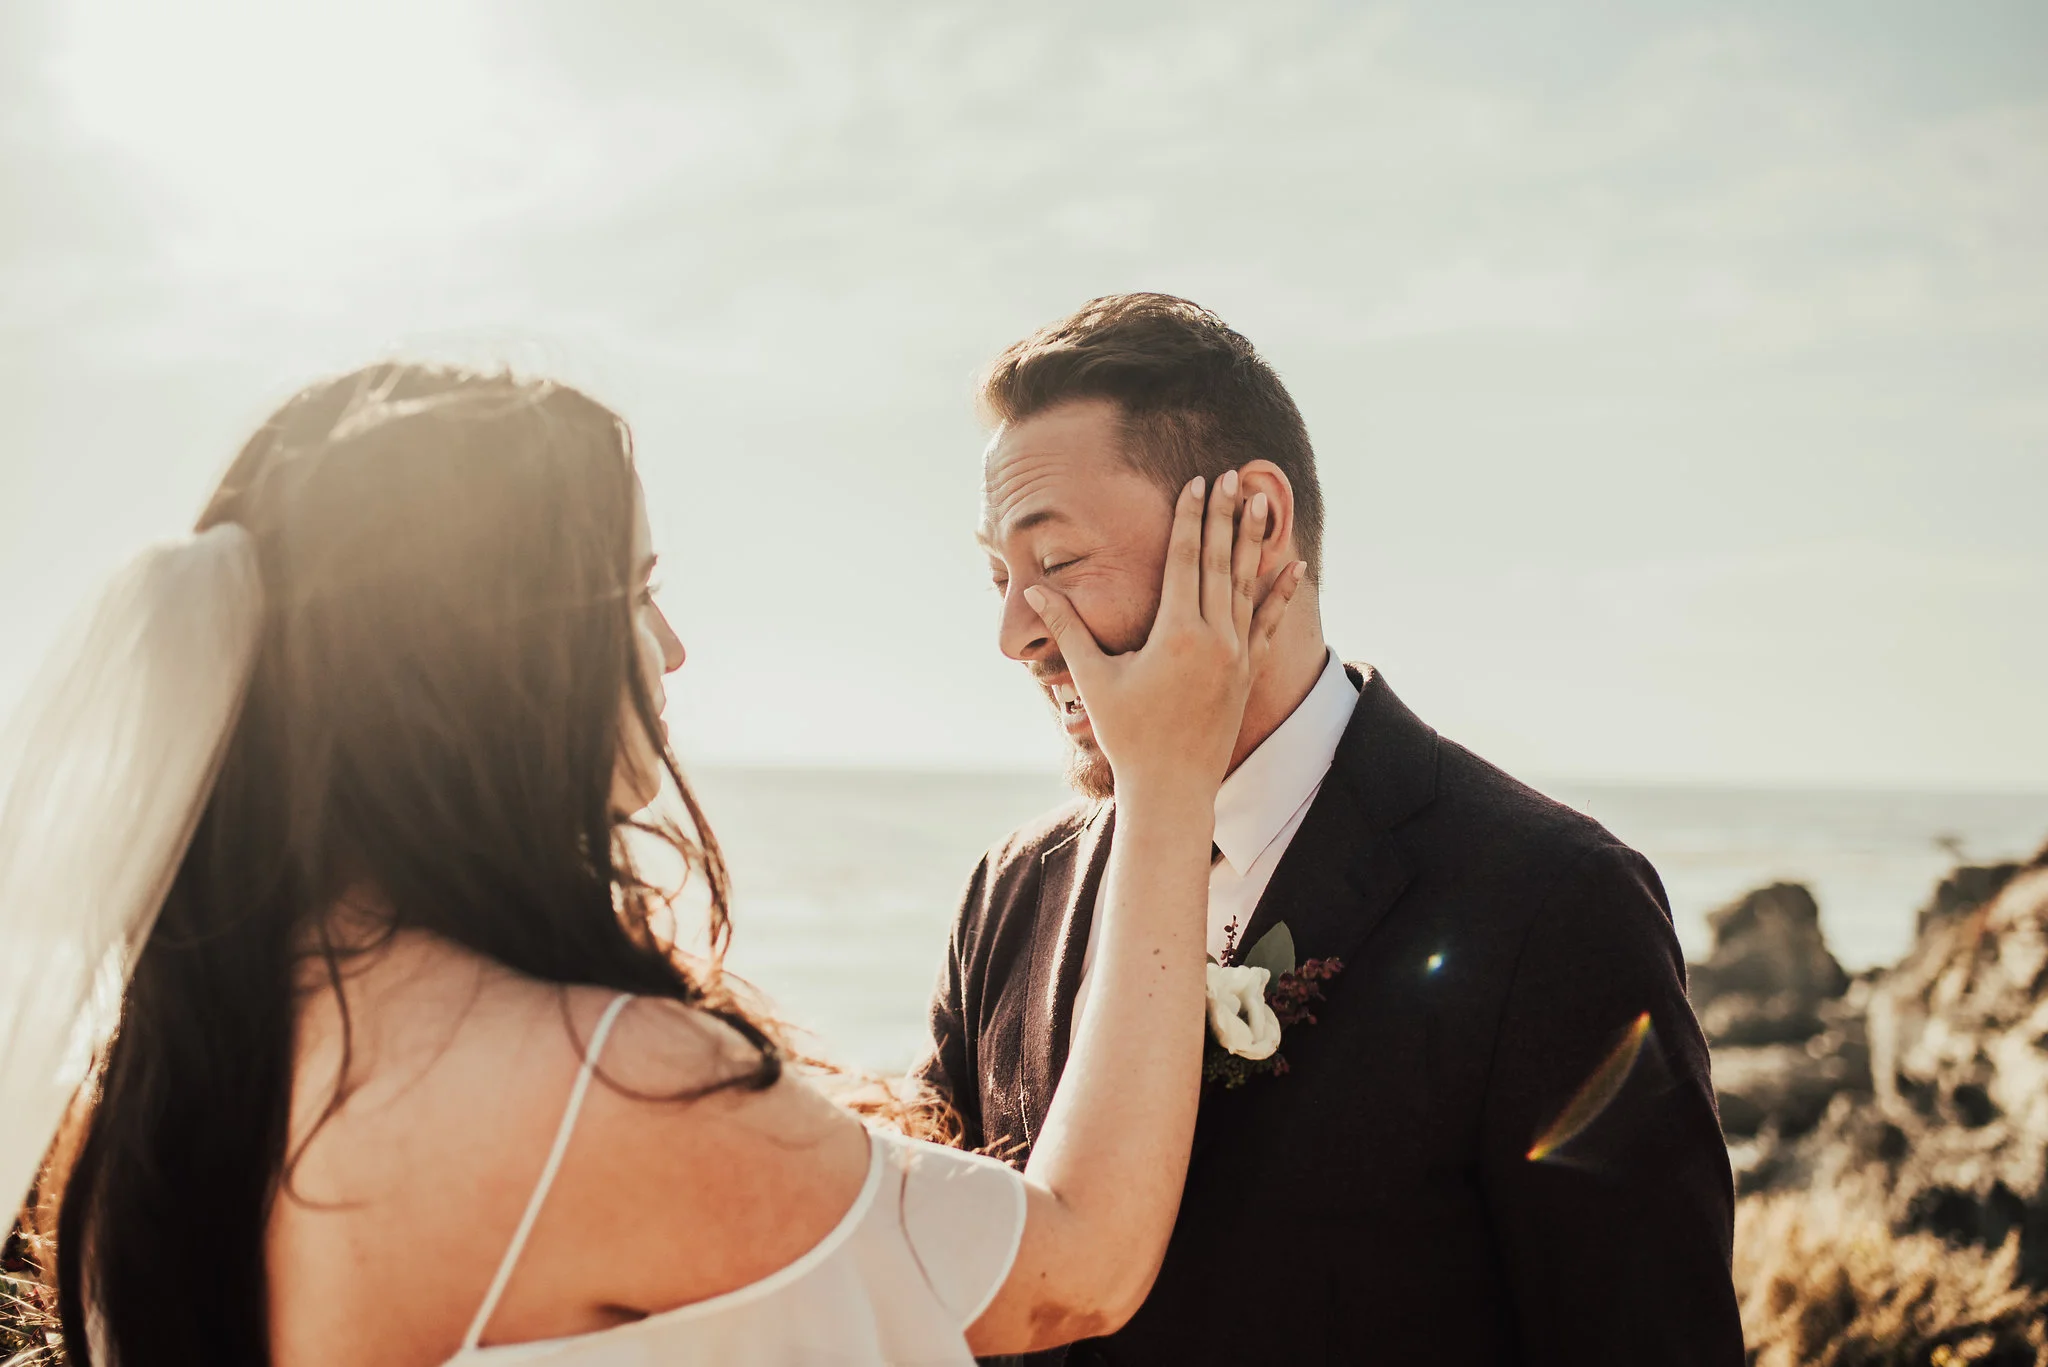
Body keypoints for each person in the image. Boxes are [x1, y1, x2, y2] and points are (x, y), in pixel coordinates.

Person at [0, 362, 1302, 1365]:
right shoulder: (608, 1084)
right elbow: (1076, 1266)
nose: (670, 649)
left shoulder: (176, 1070)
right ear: (499, 655)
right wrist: (1165, 778)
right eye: (632, 591)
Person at [922, 293, 1747, 1365]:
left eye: (1057, 563)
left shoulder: (1553, 903)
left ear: (1255, 523)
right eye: (1000, 576)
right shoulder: (1008, 893)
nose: (1013, 633)